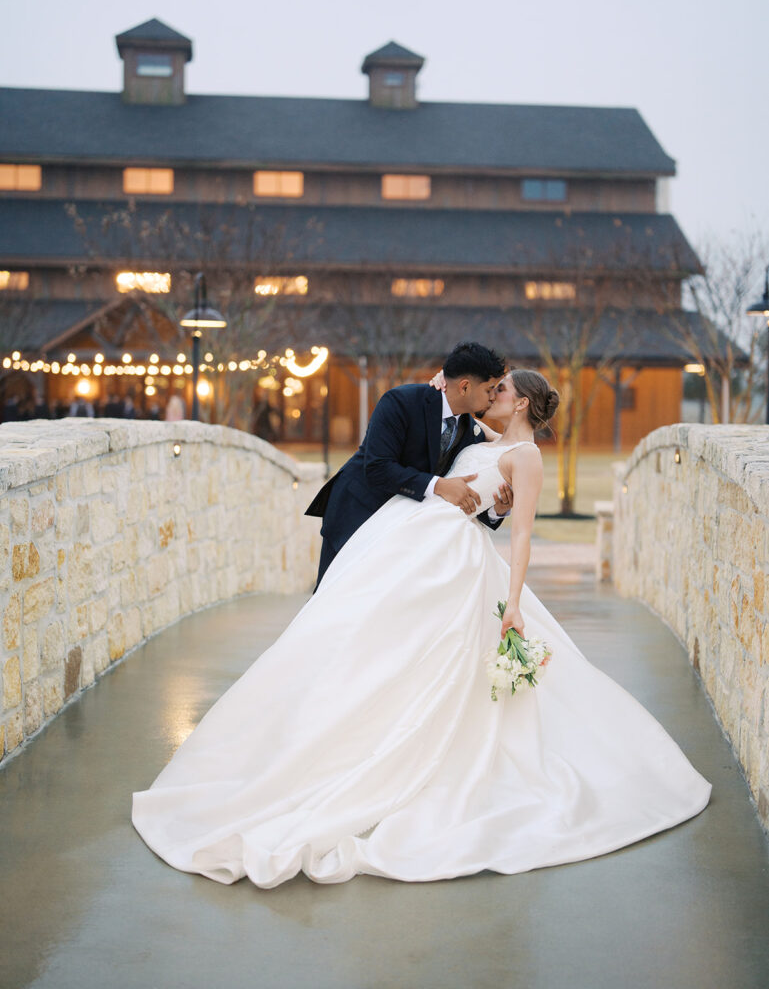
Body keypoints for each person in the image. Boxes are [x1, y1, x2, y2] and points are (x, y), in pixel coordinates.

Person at [132, 368, 710, 888]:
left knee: (436, 659)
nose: (492, 395)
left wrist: (512, 603)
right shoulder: (477, 436)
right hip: (407, 546)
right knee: (366, 647)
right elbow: (458, 468)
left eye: (502, 390)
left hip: (455, 565)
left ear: (525, 403)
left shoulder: (526, 458)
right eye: (490, 386)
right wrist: (444, 392)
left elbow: (521, 533)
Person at [306, 342, 511, 588]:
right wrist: (438, 485)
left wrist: (497, 509)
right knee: (332, 604)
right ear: (465, 386)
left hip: (400, 537)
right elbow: (377, 467)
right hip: (357, 515)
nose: (493, 396)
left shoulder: (473, 434)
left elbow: (462, 497)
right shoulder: (401, 402)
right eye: (490, 389)